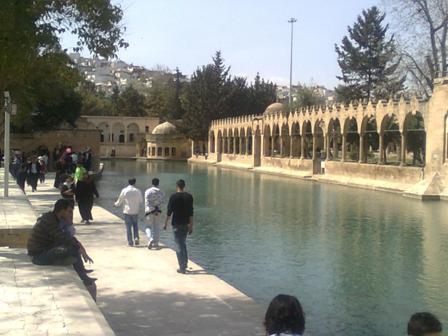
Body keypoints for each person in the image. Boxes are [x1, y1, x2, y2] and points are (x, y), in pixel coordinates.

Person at [26, 199, 96, 286]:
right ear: (62, 210)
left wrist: (82, 249)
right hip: (38, 256)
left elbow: (68, 237)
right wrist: (81, 250)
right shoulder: (50, 221)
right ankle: (84, 278)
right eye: (69, 212)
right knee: (71, 249)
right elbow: (64, 238)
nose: (71, 214)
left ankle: (82, 272)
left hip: (44, 249)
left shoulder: (53, 218)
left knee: (71, 247)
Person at [164, 179, 193, 274]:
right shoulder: (189, 197)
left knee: (178, 244)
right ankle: (185, 263)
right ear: (184, 186)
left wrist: (165, 223)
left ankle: (182, 267)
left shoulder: (173, 197)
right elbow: (191, 212)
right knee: (183, 243)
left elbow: (169, 212)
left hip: (176, 223)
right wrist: (191, 225)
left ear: (177, 186)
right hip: (186, 223)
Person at [114, 178, 143, 246]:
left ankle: (130, 242)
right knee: (135, 226)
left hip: (127, 211)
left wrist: (115, 204)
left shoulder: (124, 190)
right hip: (135, 211)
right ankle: (136, 237)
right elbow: (141, 201)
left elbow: (120, 200)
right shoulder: (138, 191)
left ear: (128, 182)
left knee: (128, 227)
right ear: (135, 183)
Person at [144, 178, 165, 249]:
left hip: (149, 211)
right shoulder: (162, 192)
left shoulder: (147, 191)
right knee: (156, 227)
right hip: (158, 211)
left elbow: (147, 202)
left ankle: (150, 239)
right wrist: (157, 208)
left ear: (152, 183)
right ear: (158, 183)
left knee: (148, 227)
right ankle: (156, 243)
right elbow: (162, 202)